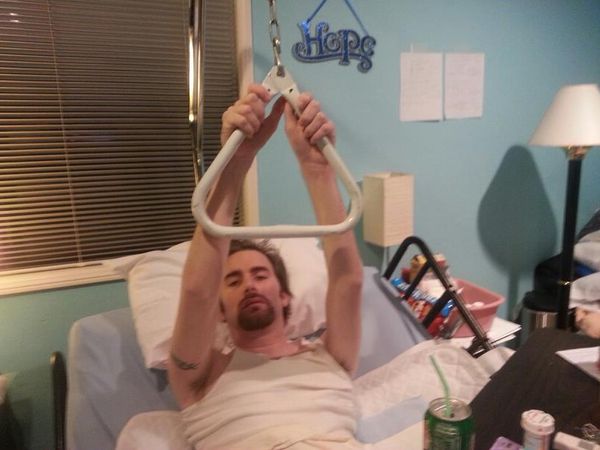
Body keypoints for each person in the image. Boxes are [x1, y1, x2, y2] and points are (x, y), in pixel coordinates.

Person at [168, 84, 365, 449]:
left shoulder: (330, 356)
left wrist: (317, 169)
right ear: (219, 310)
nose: (249, 285)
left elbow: (348, 282)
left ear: (285, 295)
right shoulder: (199, 376)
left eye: (260, 275)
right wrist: (236, 160)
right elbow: (197, 292)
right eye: (233, 280)